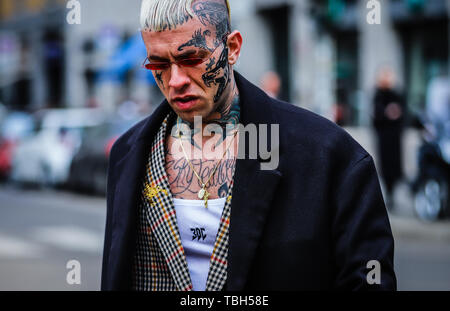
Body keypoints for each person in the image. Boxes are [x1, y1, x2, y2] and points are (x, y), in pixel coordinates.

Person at [101, 0, 396, 291]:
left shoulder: (327, 154)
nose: (175, 80)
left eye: (192, 59)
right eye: (159, 64)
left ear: (232, 49)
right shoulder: (128, 155)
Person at [372, 67, 406, 209]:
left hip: (394, 137)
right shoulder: (378, 95)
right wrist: (386, 113)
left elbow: (403, 113)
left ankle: (393, 192)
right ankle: (389, 193)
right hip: (384, 137)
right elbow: (375, 116)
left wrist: (396, 112)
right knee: (385, 166)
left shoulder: (396, 94)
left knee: (394, 166)